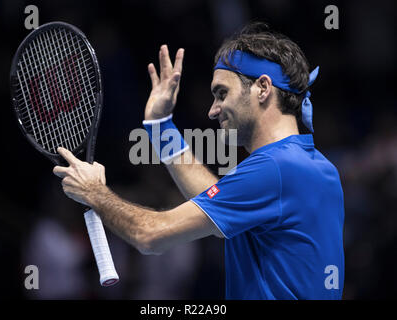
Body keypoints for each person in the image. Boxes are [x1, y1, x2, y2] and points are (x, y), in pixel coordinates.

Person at [53, 22, 345, 299]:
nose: (212, 111)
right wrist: (160, 126)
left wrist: (96, 193)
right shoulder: (315, 166)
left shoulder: (274, 170)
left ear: (263, 88)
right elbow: (217, 202)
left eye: (222, 93)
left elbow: (150, 235)